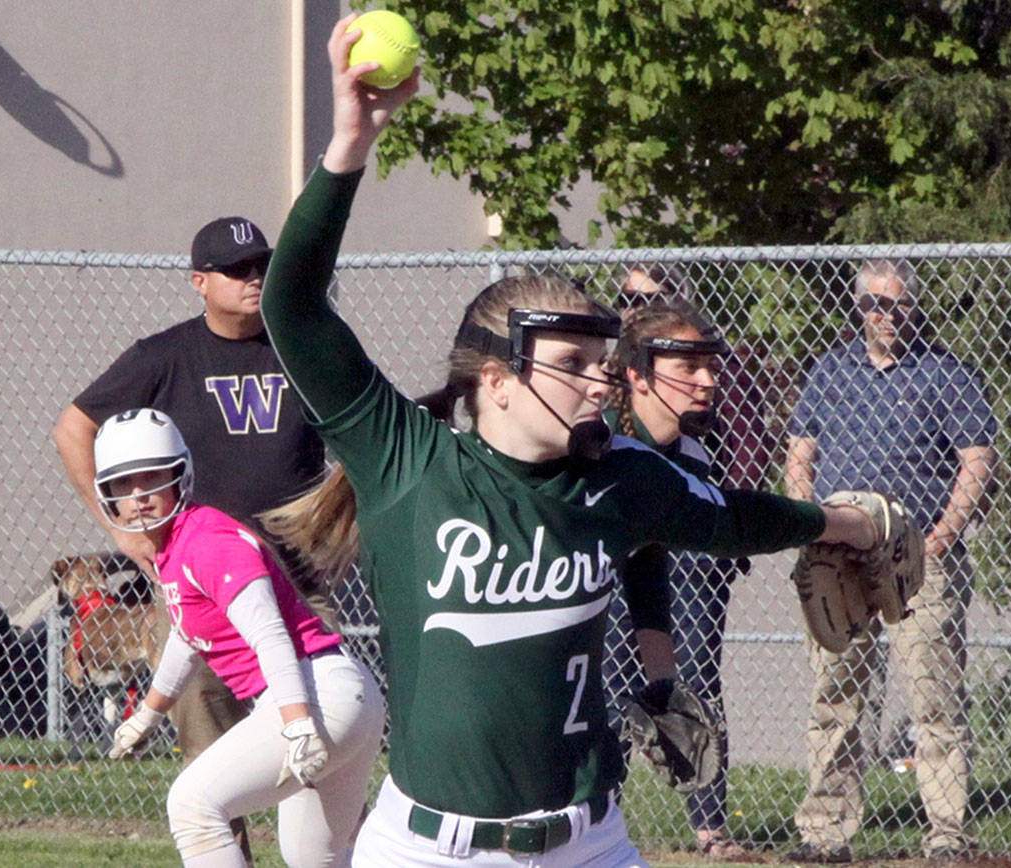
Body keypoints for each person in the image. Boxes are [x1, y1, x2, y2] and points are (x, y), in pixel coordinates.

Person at [255, 18, 884, 867]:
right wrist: (348, 146)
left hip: (589, 843)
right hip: (429, 849)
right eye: (572, 363)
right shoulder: (408, 462)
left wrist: (840, 525)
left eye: (603, 359)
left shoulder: (621, 474)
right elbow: (291, 308)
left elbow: (731, 519)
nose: (600, 380)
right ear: (497, 380)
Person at [52, 213, 329, 859]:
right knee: (214, 768)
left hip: (299, 582)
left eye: (260, 265)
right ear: (200, 282)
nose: (253, 278)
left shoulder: (304, 343)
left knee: (314, 758)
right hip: (206, 590)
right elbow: (74, 428)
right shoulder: (165, 355)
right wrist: (120, 527)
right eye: (236, 270)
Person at [97, 408, 384, 868]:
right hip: (338, 694)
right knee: (315, 858)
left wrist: (295, 722)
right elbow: (188, 638)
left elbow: (271, 635)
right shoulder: (178, 545)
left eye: (152, 476)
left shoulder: (207, 539)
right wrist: (147, 717)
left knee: (192, 805)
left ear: (179, 475)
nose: (140, 495)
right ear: (106, 495)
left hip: (314, 696)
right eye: (123, 484)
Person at [785, 259, 998, 863]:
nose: (887, 315)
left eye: (898, 304)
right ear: (859, 307)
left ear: (915, 307)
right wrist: (806, 523)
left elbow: (977, 460)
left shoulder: (948, 373)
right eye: (875, 304)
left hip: (915, 557)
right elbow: (801, 451)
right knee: (836, 696)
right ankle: (825, 834)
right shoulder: (830, 370)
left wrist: (940, 537)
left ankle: (946, 836)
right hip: (837, 556)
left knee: (934, 697)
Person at [599, 299, 758, 860]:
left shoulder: (687, 456)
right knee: (598, 698)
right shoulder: (595, 445)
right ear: (638, 375)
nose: (707, 380)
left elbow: (647, 568)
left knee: (687, 694)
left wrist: (664, 683)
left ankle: (706, 825)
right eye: (688, 367)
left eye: (710, 366)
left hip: (639, 582)